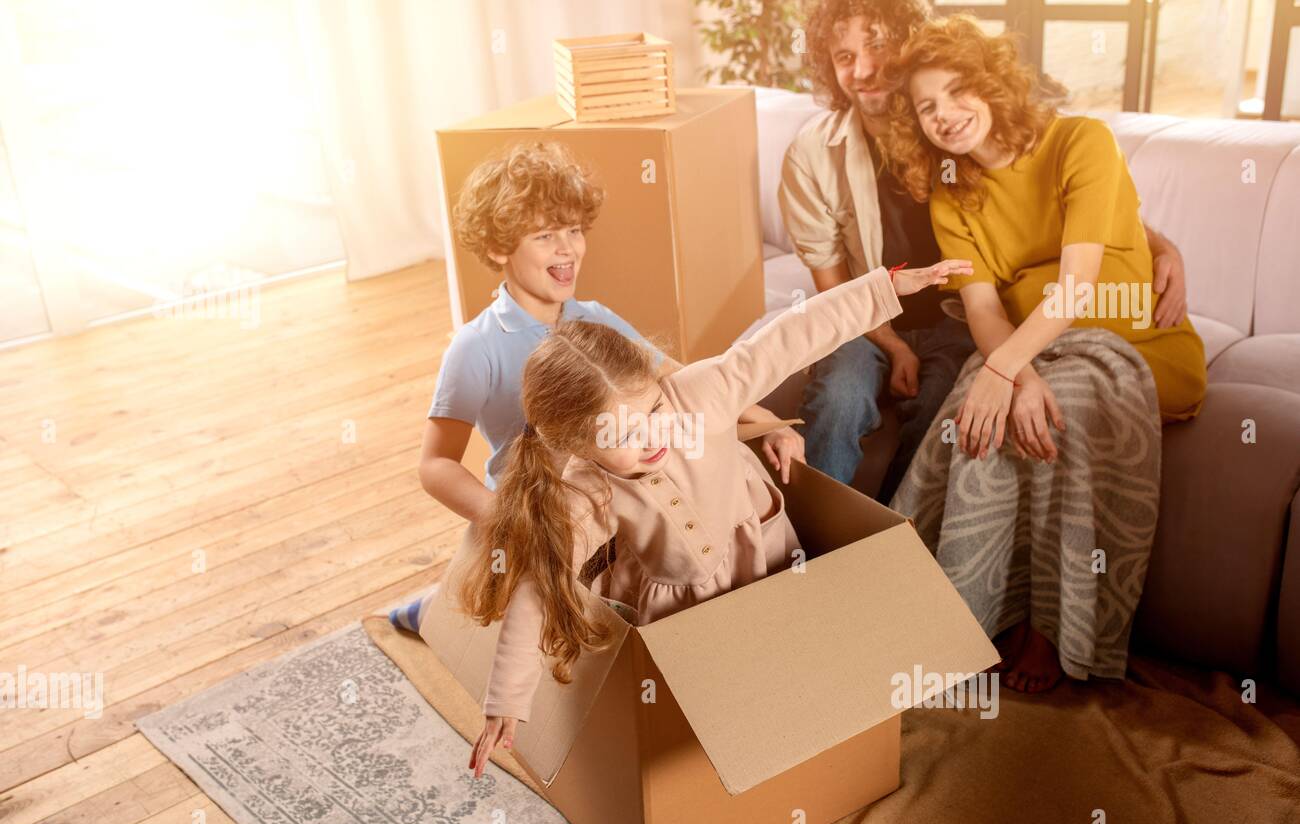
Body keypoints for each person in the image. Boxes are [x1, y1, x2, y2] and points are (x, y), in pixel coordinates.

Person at [452, 260, 972, 776]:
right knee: (711, 704)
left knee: (791, 645)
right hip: (683, 603)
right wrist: (507, 700)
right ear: (577, 446)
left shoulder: (700, 393)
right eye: (623, 436)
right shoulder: (585, 489)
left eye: (653, 412)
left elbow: (792, 336)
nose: (652, 439)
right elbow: (540, 584)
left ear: (655, 383)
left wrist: (884, 288)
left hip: (766, 556)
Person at [880, 15, 1208, 692]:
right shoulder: (951, 193)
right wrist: (1016, 376)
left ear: (991, 82)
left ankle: (1050, 628)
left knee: (1058, 408)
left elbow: (1077, 286)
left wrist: (1004, 369)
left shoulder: (1080, 141)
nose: (945, 115)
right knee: (977, 413)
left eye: (957, 90)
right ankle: (964, 610)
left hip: (1133, 340)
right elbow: (983, 309)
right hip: (1036, 343)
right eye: (927, 106)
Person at [779, 0, 1190, 503]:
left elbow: (1069, 192)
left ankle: (897, 533)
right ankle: (807, 532)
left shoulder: (963, 132)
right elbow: (835, 289)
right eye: (844, 57)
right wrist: (897, 347)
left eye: (878, 47)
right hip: (872, 320)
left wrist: (1161, 245)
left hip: (955, 319)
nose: (862, 70)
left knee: (944, 414)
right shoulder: (820, 155)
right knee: (839, 396)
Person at [391, 140, 801, 633]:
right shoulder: (475, 346)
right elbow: (435, 464)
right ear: (499, 247)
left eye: (573, 230)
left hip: (613, 498)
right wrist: (507, 521)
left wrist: (766, 421)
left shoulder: (595, 319)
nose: (567, 247)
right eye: (545, 235)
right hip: (541, 512)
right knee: (506, 612)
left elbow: (682, 380)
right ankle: (432, 610)